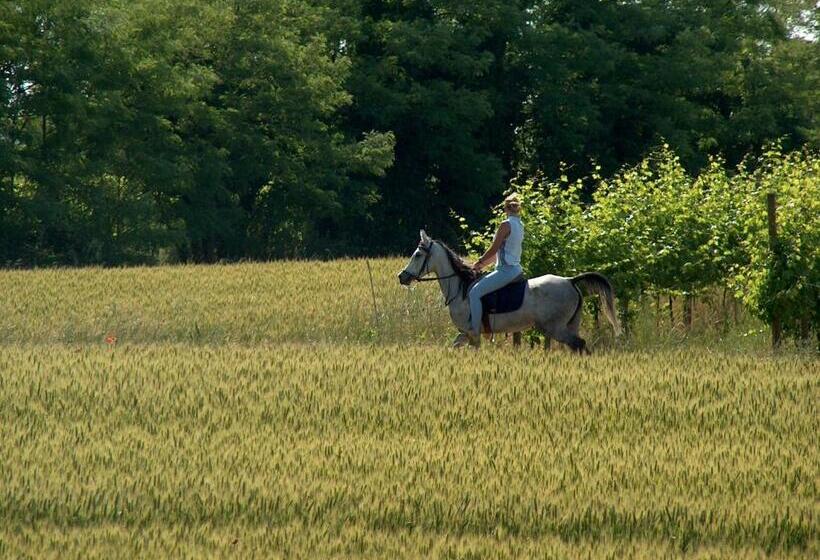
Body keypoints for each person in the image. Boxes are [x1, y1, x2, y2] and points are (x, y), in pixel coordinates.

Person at [467, 193, 524, 343]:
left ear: (505, 208)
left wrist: (479, 261)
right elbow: (500, 253)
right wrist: (481, 266)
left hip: (505, 271)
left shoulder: (505, 224)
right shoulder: (520, 225)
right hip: (516, 269)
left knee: (474, 293)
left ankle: (474, 330)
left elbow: (493, 249)